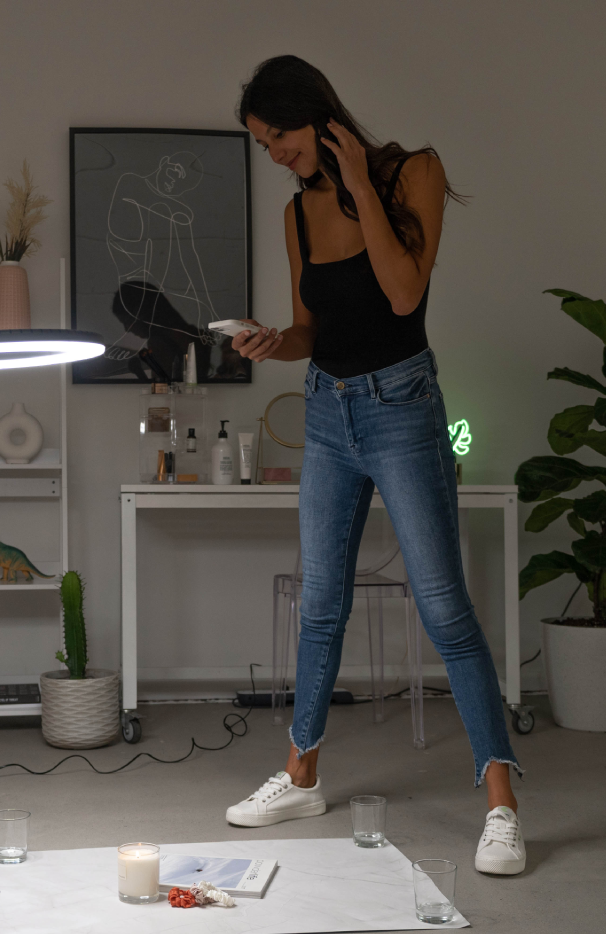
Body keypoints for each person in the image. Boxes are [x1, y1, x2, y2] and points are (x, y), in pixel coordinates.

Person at [223, 55, 525, 876]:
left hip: (401, 409)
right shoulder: (296, 215)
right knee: (320, 605)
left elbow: (401, 297)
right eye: (262, 145)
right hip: (328, 412)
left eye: (277, 136)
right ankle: (302, 774)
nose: (274, 154)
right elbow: (309, 333)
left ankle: (500, 805)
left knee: (444, 609)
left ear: (315, 117)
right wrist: (268, 341)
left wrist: (358, 181)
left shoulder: (412, 174)